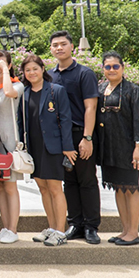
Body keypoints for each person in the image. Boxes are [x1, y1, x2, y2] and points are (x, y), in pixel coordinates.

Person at [49, 30, 101, 244]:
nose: (59, 48)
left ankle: (91, 226)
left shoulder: (84, 73)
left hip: (80, 133)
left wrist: (87, 137)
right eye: (55, 45)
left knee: (87, 180)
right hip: (59, 137)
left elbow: (91, 107)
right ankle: (75, 224)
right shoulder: (50, 75)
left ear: (72, 47)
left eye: (63, 44)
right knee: (68, 182)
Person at [19, 54, 77, 247]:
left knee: (54, 189)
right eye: (28, 70)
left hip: (53, 147)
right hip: (34, 147)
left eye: (35, 68)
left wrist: (67, 147)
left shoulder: (56, 90)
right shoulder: (24, 93)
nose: (32, 73)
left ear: (43, 69)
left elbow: (66, 119)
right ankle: (51, 228)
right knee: (42, 188)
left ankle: (61, 231)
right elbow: (21, 122)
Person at [96, 51, 139, 246]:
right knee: (118, 188)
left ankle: (133, 232)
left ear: (122, 68)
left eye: (115, 66)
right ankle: (125, 229)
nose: (111, 70)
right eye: (107, 67)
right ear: (103, 69)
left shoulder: (133, 91)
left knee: (131, 188)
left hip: (128, 148)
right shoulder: (100, 89)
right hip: (108, 148)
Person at [0, 50, 25, 244]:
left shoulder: (17, 85)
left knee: (10, 186)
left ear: (9, 66)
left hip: (9, 141)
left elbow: (9, 93)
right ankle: (5, 226)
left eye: (1, 63)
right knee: (0, 187)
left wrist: (4, 72)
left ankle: (14, 228)